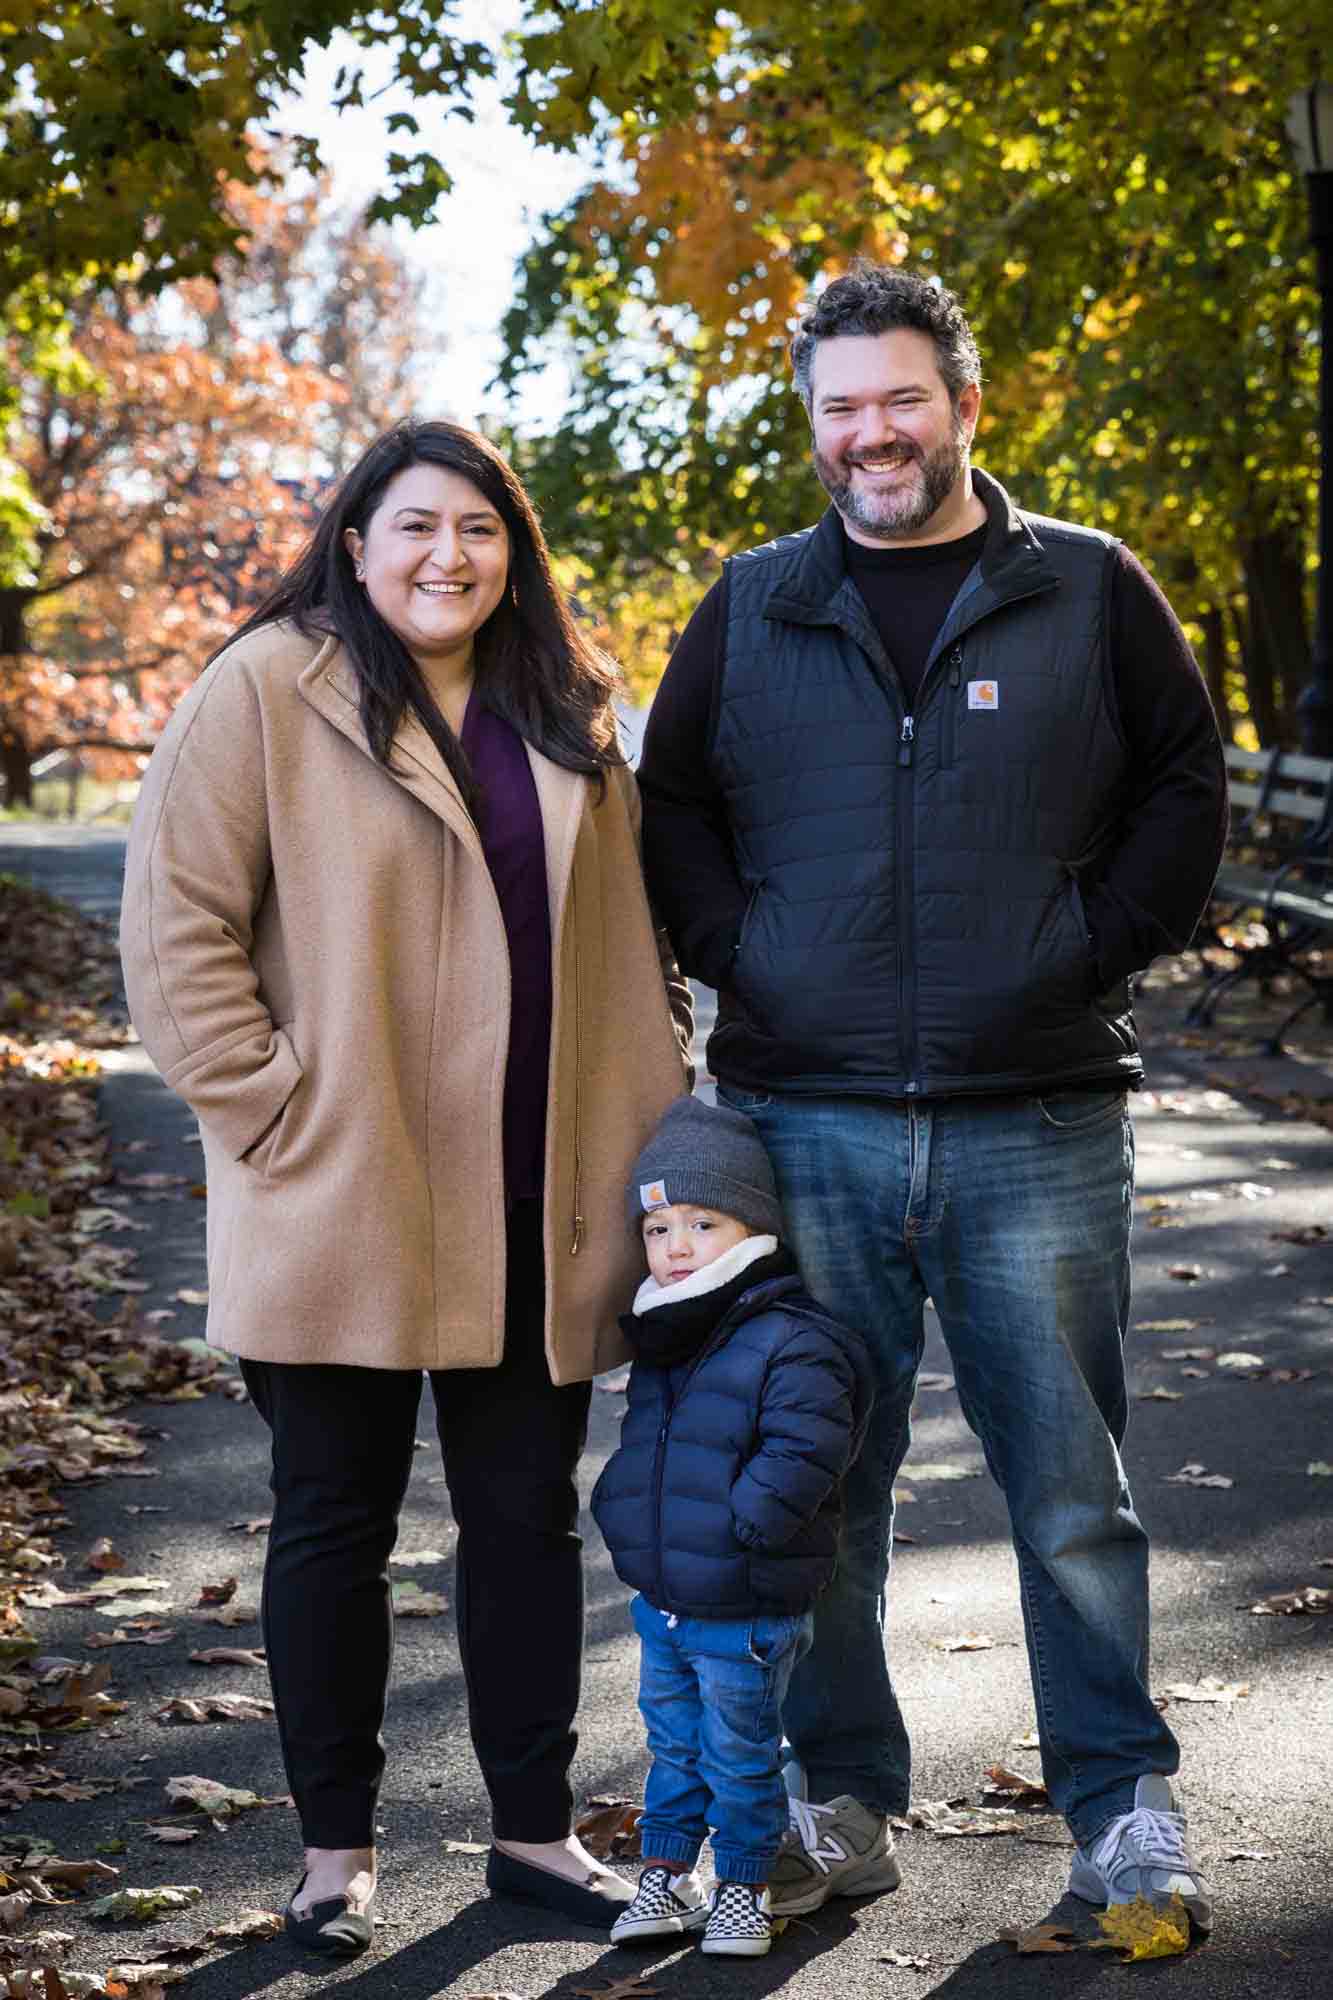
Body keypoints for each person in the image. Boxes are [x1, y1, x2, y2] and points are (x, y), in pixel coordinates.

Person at [637, 264, 1228, 1933]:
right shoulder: (752, 601)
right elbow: (669, 803)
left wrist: (1085, 952)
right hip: (801, 1124)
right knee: (815, 1486)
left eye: (898, 398)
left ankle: (1118, 1807)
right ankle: (839, 1796)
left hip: (1032, 1115)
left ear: (965, 404)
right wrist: (744, 954)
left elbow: (1181, 785)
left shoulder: (1088, 589)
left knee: (1067, 1492)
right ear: (812, 426)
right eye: (837, 407)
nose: (868, 433)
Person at [120, 419, 693, 1954]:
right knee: (331, 1523)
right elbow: (176, 932)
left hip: (539, 1197)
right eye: (418, 526)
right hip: (341, 1195)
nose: (450, 555)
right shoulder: (264, 687)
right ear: (356, 541)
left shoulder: (568, 708)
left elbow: (635, 954)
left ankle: (532, 1837)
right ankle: (333, 1851)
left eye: (482, 530)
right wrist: (277, 1112)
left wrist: (660, 1139)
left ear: (515, 553)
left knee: (523, 1524)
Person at [591, 1096, 874, 1957]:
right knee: (672, 1750)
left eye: (701, 1223)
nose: (673, 1246)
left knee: (741, 1757)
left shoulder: (790, 1338)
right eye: (656, 1227)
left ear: (751, 1230)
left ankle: (745, 1887)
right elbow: (651, 1452)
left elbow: (805, 1450)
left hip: (742, 1606)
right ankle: (668, 1878)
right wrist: (621, 1513)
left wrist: (741, 1530)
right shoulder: (673, 1333)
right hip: (666, 1603)